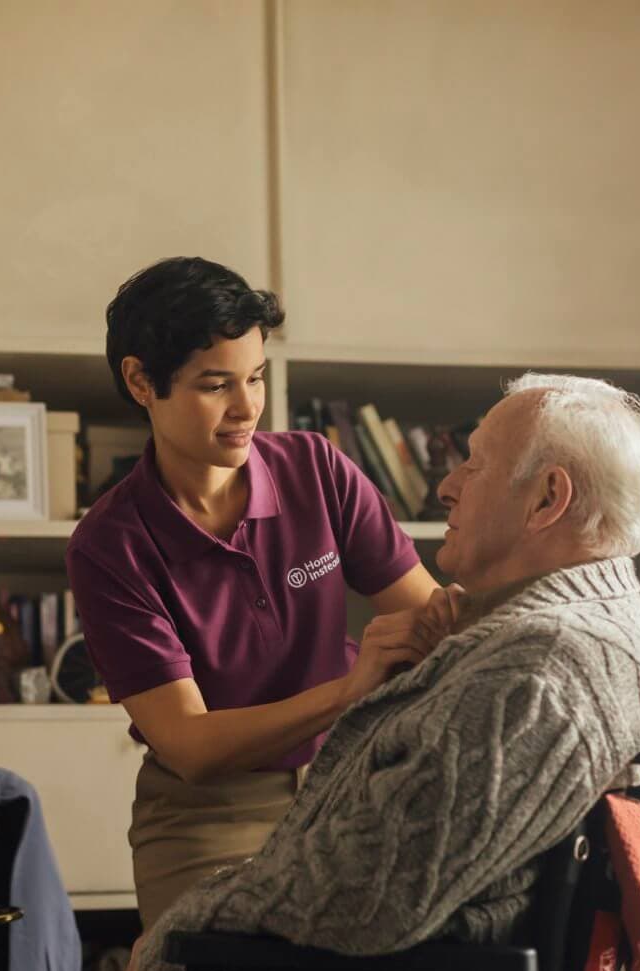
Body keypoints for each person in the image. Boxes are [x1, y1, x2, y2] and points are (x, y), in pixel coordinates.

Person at [0, 372, 640, 971]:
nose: (445, 486)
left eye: (473, 465)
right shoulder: (583, 631)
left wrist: (174, 937)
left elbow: (371, 893)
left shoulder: (536, 672)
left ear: (547, 500)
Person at [65, 256, 445, 932]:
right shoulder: (109, 546)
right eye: (216, 385)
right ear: (141, 381)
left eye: (256, 377)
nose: (247, 409)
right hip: (211, 813)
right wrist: (348, 692)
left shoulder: (318, 470)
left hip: (355, 777)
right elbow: (191, 745)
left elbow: (433, 620)